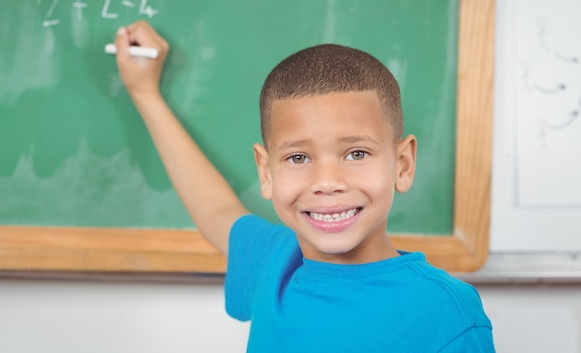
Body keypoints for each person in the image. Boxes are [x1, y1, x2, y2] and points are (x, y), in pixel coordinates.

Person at [113, 20, 495, 352]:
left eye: (356, 153)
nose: (327, 183)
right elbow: (216, 212)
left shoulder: (445, 313)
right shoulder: (275, 262)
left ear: (403, 164)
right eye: (299, 158)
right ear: (266, 172)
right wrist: (145, 93)